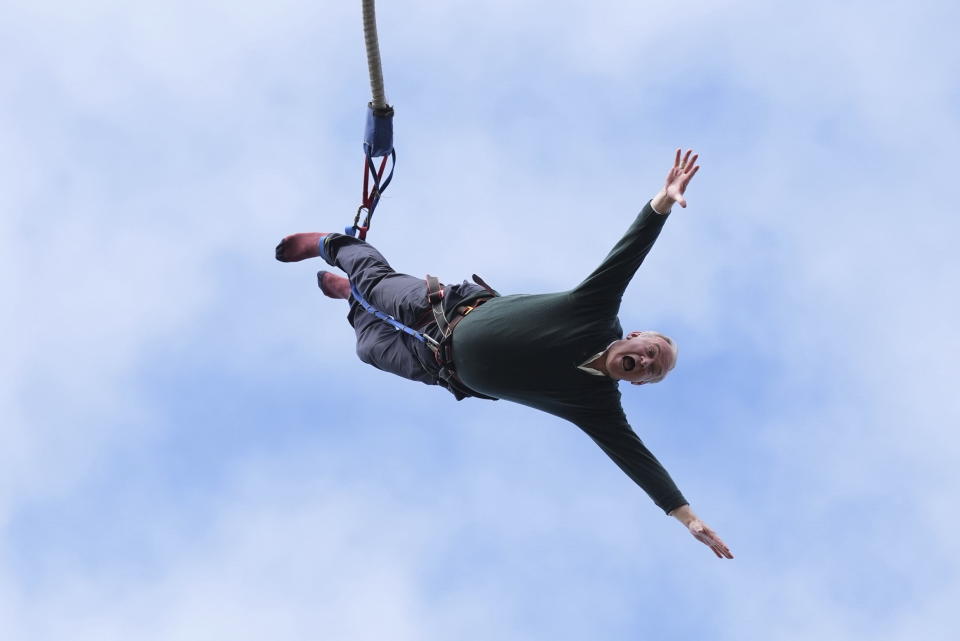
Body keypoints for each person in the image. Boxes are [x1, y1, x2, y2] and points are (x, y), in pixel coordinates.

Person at [276, 149, 733, 559]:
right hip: (441, 308)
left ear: (636, 382)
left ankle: (349, 298)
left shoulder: (596, 406)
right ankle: (330, 247)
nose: (648, 361)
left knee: (367, 347)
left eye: (652, 371)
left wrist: (687, 517)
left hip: (436, 367)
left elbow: (638, 460)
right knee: (376, 280)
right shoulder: (594, 312)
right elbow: (628, 253)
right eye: (651, 351)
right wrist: (664, 201)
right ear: (634, 336)